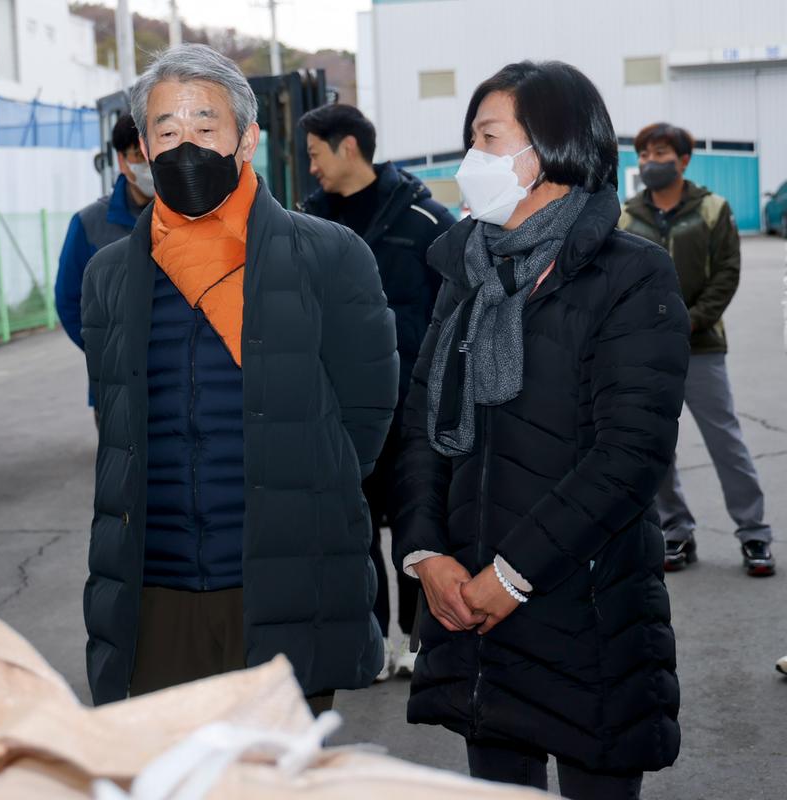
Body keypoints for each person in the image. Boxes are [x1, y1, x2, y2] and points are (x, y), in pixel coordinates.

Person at [392, 61, 688, 798]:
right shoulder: (467, 272)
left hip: (584, 610)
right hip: (472, 612)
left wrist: (513, 574)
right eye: (472, 140)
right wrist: (427, 551)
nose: (472, 161)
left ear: (550, 148)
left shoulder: (631, 277)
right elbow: (423, 423)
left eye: (489, 138)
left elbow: (631, 454)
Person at [80, 44, 398, 715]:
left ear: (246, 140)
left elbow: (365, 416)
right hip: (156, 590)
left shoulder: (330, 256)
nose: (184, 145)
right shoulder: (109, 275)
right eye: (166, 130)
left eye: (205, 126)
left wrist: (301, 486)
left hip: (284, 581)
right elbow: (119, 424)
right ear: (141, 146)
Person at [299, 103, 454, 680]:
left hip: (413, 408)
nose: (310, 166)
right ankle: (368, 643)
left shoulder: (425, 220)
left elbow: (456, 314)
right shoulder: (305, 224)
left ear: (347, 148)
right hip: (338, 410)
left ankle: (419, 642)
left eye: (315, 152)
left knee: (417, 526)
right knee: (351, 531)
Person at [619, 122, 775, 576]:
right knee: (658, 447)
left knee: (725, 441)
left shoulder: (712, 209)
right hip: (648, 352)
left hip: (703, 346)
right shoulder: (629, 216)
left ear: (684, 160)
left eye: (661, 153)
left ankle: (754, 535)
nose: (650, 162)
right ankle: (676, 531)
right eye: (644, 154)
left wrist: (691, 320)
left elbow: (727, 271)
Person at [55, 113, 153, 352]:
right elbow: (69, 301)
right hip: (117, 380)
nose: (149, 165)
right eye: (139, 156)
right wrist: (106, 355)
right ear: (122, 161)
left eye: (154, 154)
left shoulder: (188, 215)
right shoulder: (88, 224)